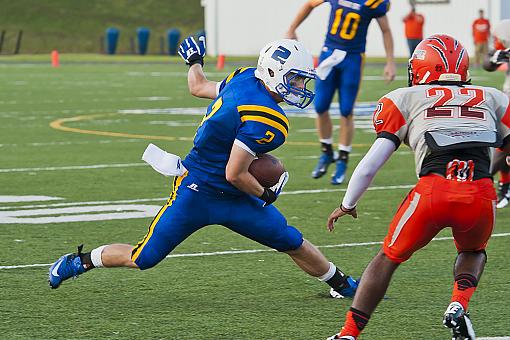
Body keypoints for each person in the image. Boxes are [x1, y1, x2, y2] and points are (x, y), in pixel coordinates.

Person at [48, 37, 359, 300]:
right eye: (294, 79)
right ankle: (79, 261)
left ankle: (341, 284)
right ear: (274, 73)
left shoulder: (245, 76)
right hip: (199, 191)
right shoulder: (269, 118)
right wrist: (266, 193)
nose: (299, 87)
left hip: (230, 195)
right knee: (143, 257)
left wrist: (194, 60)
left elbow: (198, 87)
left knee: (291, 240)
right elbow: (235, 173)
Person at [326, 34, 510, 340]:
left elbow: (371, 164)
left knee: (388, 258)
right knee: (474, 250)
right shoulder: (493, 96)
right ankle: (457, 304)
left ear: (422, 68)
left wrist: (347, 204)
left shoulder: (405, 98)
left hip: (433, 192)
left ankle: (348, 334)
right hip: (479, 193)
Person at [285, 0, 396, 185]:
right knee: (320, 106)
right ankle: (326, 152)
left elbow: (386, 29)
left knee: (346, 111)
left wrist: (390, 61)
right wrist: (292, 28)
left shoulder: (374, 3)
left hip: (352, 58)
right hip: (329, 53)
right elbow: (310, 4)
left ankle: (343, 158)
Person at [483, 19, 510, 208]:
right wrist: (497, 56)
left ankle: (479, 181)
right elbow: (488, 62)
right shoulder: (505, 28)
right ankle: (503, 183)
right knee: (504, 140)